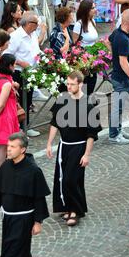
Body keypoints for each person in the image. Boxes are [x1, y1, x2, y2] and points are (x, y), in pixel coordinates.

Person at [46, 71, 102, 226]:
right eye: (67, 84)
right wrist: (49, 144)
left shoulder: (89, 105)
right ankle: (67, 207)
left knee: (72, 179)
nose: (68, 87)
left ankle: (76, 210)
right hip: (64, 146)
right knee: (62, 178)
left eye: (72, 84)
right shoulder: (62, 100)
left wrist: (87, 154)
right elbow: (54, 123)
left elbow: (91, 133)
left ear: (81, 84)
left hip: (79, 147)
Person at [0, 132, 50, 257]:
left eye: (13, 146)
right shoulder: (5, 166)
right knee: (13, 250)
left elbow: (39, 198)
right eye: (8, 145)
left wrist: (38, 222)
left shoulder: (33, 170)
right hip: (8, 218)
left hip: (24, 219)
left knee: (14, 253)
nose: (8, 149)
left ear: (23, 149)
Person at [5, 11, 47, 137]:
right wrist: (19, 62)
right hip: (19, 73)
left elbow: (36, 49)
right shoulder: (16, 36)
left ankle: (26, 125)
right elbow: (7, 54)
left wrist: (45, 57)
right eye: (36, 23)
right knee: (21, 101)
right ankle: (19, 128)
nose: (38, 26)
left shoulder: (32, 34)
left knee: (28, 100)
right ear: (29, 24)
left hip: (31, 72)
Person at [108, 9, 129, 145]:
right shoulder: (122, 38)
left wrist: (112, 54)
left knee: (119, 106)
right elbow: (123, 61)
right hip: (121, 78)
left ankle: (118, 130)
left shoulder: (117, 33)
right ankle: (114, 135)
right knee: (118, 107)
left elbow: (107, 41)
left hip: (120, 77)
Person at [0, 54, 21, 169]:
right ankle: (1, 172)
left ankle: (3, 171)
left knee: (4, 145)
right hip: (5, 116)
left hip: (0, 115)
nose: (15, 66)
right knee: (4, 146)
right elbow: (1, 104)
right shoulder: (6, 83)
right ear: (9, 66)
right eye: (14, 64)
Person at [73, 0, 99, 95]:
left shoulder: (93, 22)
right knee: (85, 82)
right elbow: (75, 45)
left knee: (93, 81)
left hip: (93, 57)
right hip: (83, 60)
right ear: (86, 10)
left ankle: (87, 102)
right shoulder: (78, 25)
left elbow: (94, 40)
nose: (95, 10)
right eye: (93, 8)